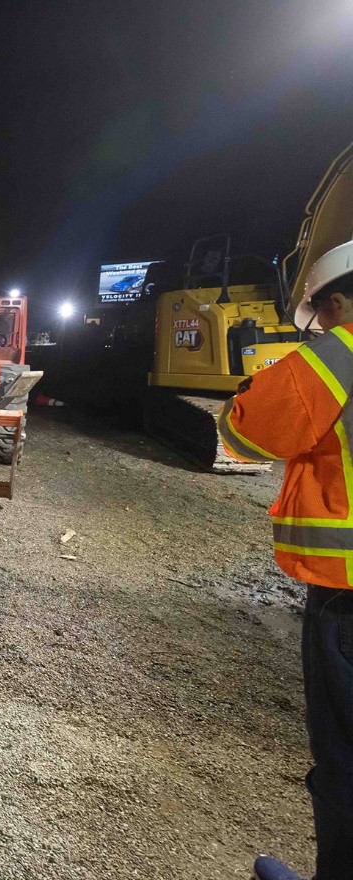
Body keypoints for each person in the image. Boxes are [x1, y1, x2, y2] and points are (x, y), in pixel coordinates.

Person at [216, 239, 353, 880]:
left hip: (346, 596)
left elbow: (246, 432)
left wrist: (250, 387)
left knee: (345, 758)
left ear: (339, 300)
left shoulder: (339, 355)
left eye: (323, 315)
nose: (323, 328)